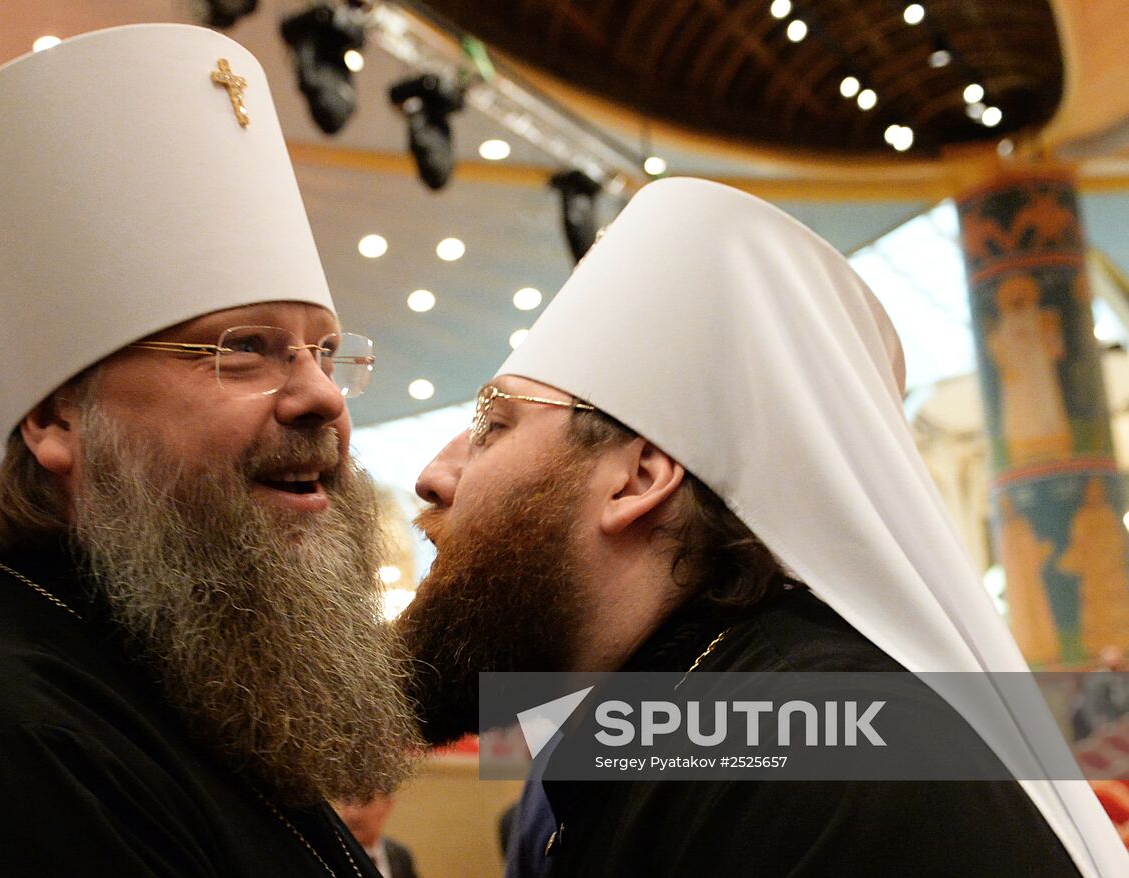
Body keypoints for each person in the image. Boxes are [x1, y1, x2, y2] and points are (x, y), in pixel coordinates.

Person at [0, 25, 419, 876]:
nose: (319, 395)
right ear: (57, 418)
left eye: (325, 351)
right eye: (242, 348)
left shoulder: (194, 682)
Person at [397, 178, 1129, 876]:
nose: (434, 474)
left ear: (637, 479)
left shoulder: (835, 761)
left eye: (493, 425)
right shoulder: (676, 727)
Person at [336, 793, 420, 878]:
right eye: (347, 800)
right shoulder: (329, 856)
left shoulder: (400, 856)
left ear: (387, 804)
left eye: (365, 801)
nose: (354, 815)